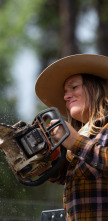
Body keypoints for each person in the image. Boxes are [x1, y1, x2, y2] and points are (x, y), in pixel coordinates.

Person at [35, 54, 108, 221]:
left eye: (73, 87)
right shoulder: (82, 138)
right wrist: (41, 156)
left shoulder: (80, 140)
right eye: (65, 92)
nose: (66, 96)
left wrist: (75, 142)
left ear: (95, 88)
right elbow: (60, 175)